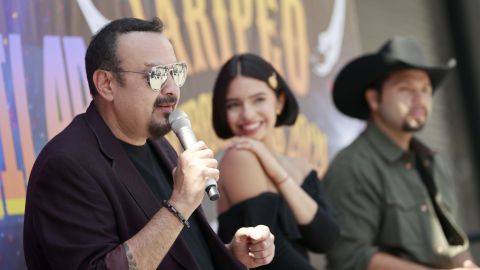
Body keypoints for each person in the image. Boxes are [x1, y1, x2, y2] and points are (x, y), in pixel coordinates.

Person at [23, 17, 275, 270]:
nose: (172, 89)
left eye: (175, 72)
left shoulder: (158, 144)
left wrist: (229, 255)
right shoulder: (66, 165)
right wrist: (181, 202)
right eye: (155, 75)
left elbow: (171, 247)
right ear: (106, 84)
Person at [324, 36, 478, 270]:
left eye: (425, 89)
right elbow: (350, 258)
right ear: (374, 99)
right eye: (405, 89)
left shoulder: (433, 162)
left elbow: (452, 241)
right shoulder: (353, 166)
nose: (419, 99)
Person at [211, 53, 339, 270]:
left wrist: (277, 173)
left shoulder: (301, 166)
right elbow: (273, 254)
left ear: (279, 102)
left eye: (258, 99)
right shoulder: (238, 158)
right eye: (234, 105)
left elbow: (326, 239)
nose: (247, 114)